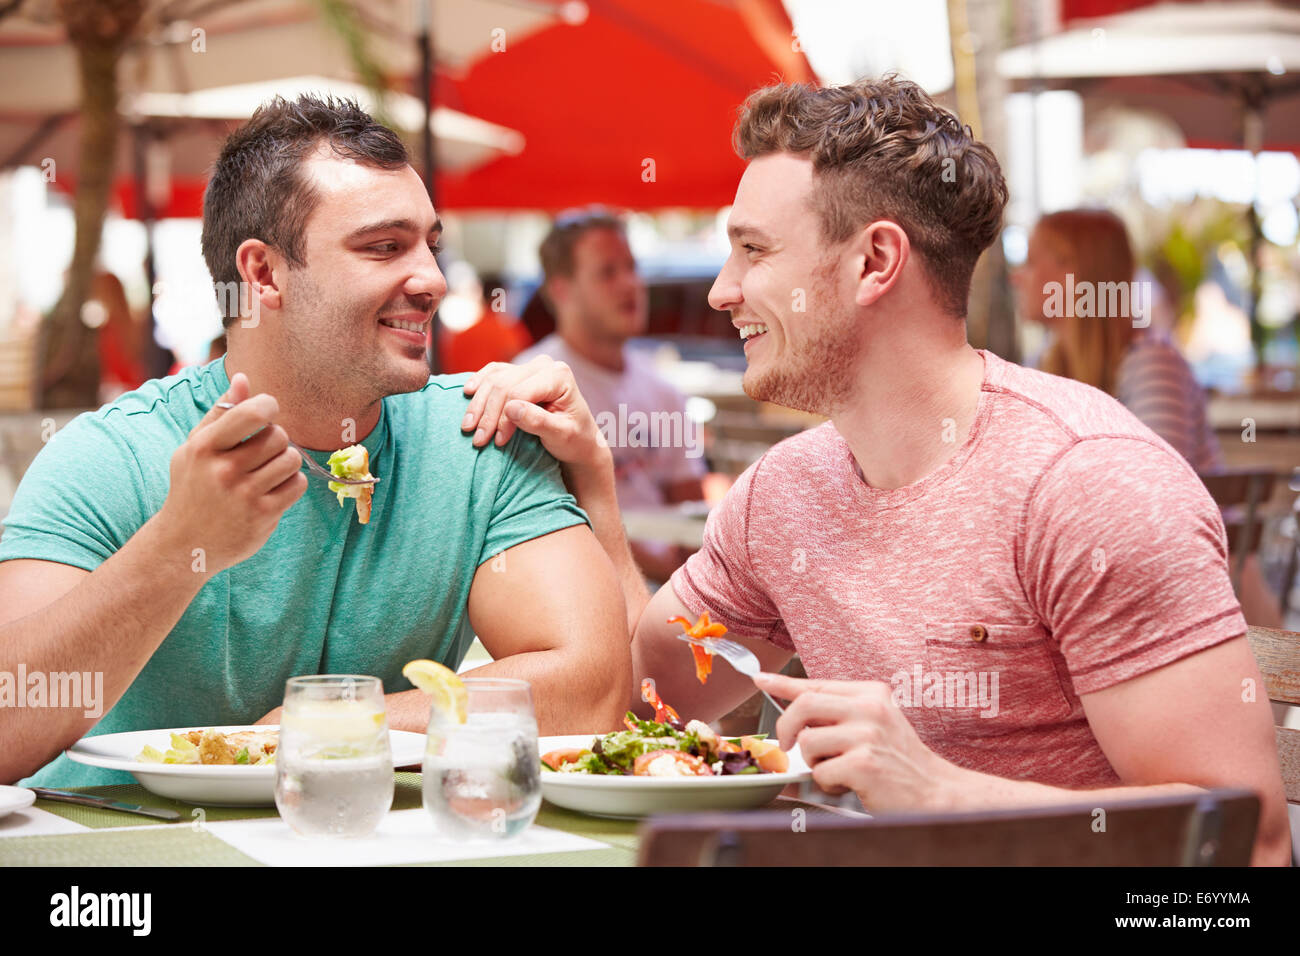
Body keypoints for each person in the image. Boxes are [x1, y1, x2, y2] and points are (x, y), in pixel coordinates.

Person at [460, 76, 1291, 864]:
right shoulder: (785, 496)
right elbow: (644, 697)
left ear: (874, 263)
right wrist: (593, 481)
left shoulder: (1088, 485)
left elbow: (1244, 856)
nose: (720, 290)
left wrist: (934, 791)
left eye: (752, 251)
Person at [0, 95, 630, 788]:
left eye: (430, 245)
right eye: (385, 247)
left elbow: (592, 688)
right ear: (263, 274)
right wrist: (180, 545)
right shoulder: (112, 456)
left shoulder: (481, 435)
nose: (432, 280)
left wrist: (322, 725)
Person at [1018, 208, 1282, 629]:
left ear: (1072, 272)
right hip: (1106, 591)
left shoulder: (1151, 362)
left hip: (1196, 599)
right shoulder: (1041, 365)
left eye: (1031, 262)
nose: (1018, 276)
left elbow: (1153, 502)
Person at [513, 209, 706, 581]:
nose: (630, 284)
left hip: (669, 587)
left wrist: (684, 582)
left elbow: (690, 508)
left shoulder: (663, 388)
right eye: (608, 272)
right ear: (561, 290)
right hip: (581, 584)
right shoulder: (533, 384)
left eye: (632, 268)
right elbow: (553, 519)